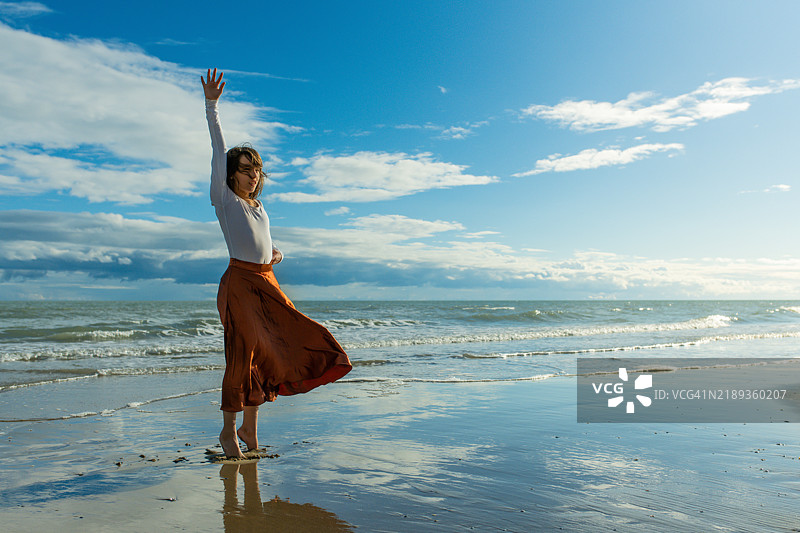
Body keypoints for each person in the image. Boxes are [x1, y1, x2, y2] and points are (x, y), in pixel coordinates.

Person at [202, 68, 352, 458]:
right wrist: (212, 107)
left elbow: (263, 243)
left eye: (257, 170)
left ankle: (251, 431)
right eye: (245, 169)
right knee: (241, 355)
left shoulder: (257, 205)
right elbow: (218, 151)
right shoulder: (225, 200)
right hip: (240, 284)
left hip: (267, 281)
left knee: (272, 351)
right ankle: (227, 432)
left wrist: (275, 255)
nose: (253, 176)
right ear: (231, 175)